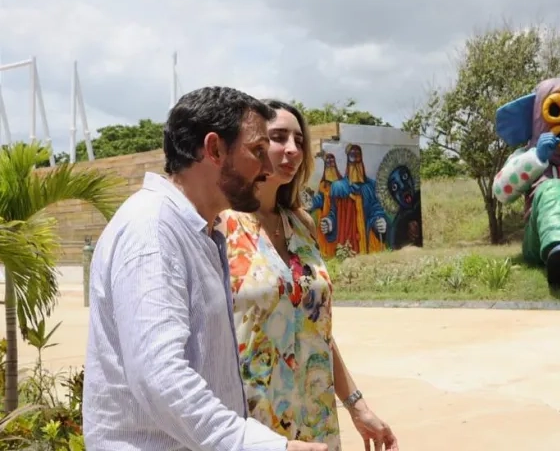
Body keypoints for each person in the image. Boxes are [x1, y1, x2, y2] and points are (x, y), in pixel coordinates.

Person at [83, 87, 327, 451]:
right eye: (258, 151)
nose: (265, 167)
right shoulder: (152, 231)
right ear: (213, 149)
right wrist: (265, 446)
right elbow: (159, 375)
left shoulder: (200, 231)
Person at [218, 100, 399, 451]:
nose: (292, 150)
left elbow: (315, 330)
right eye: (278, 137)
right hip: (252, 425)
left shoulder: (301, 224)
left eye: (299, 140)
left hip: (316, 421)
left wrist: (357, 406)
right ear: (252, 144)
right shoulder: (222, 224)